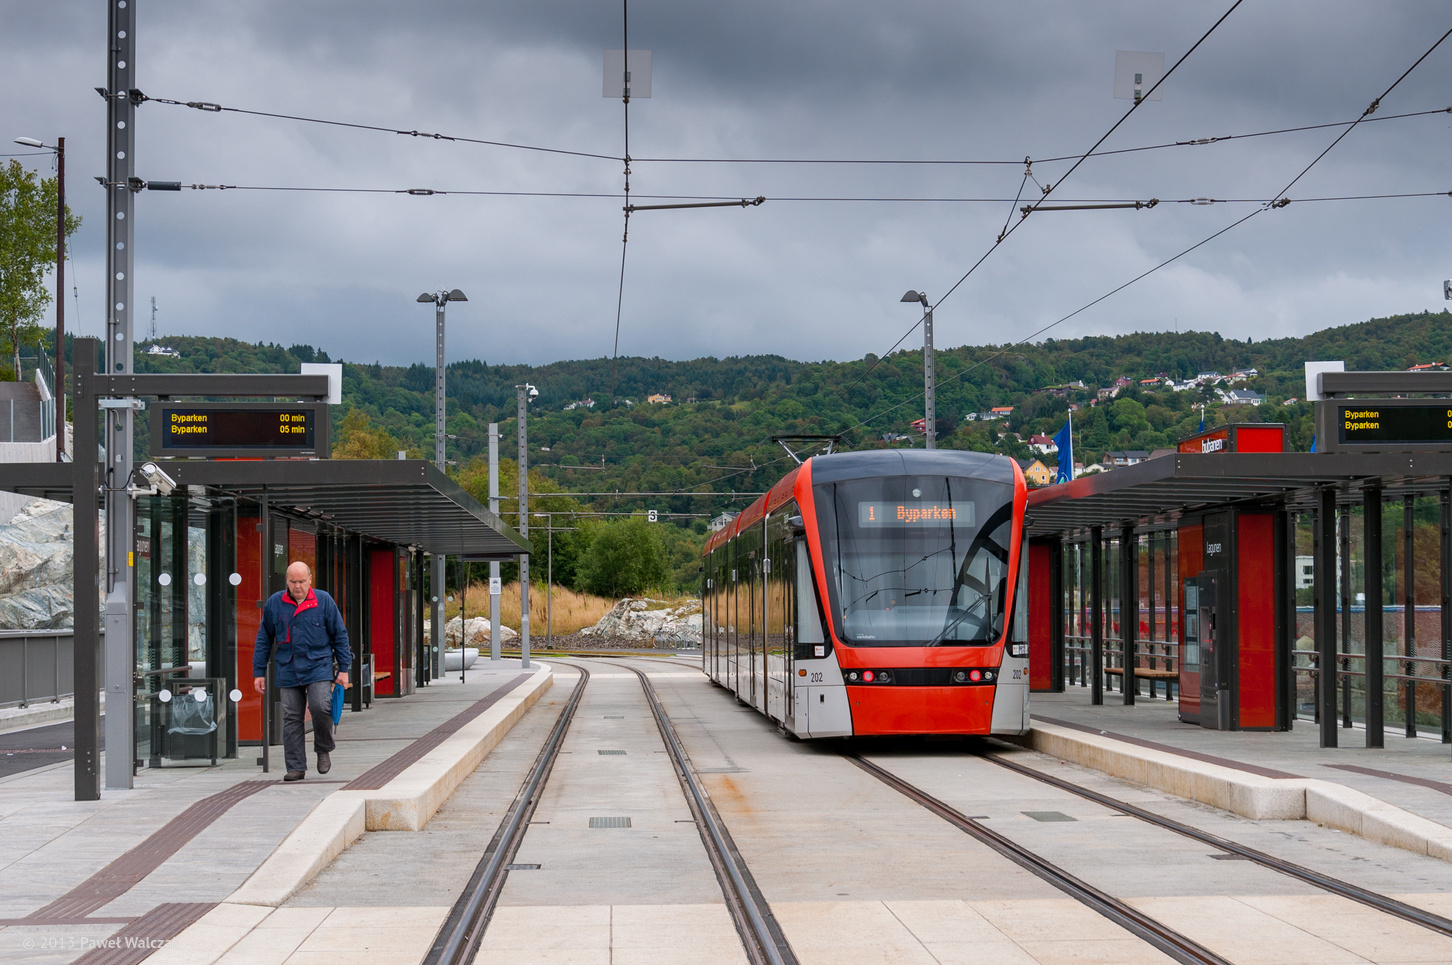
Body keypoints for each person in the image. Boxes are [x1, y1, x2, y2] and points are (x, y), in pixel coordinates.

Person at [254, 561, 352, 782]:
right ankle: (296, 767)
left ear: (310, 579)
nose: (297, 586)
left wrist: (344, 669)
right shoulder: (275, 603)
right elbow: (263, 639)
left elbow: (340, 635)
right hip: (288, 667)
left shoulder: (323, 601)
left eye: (301, 581)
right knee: (291, 717)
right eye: (292, 581)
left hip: (318, 665)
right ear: (286, 581)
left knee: (320, 706)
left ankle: (323, 748)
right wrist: (259, 672)